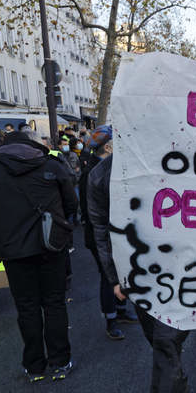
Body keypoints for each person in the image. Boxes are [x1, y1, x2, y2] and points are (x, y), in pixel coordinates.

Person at [87, 138, 190, 393]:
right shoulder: (101, 175)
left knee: (165, 339)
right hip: (140, 273)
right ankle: (176, 376)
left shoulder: (179, 158)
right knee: (160, 340)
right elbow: (100, 227)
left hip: (185, 269)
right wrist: (114, 276)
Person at [0, 129, 77, 381]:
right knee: (54, 302)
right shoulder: (51, 165)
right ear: (33, 144)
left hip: (13, 250)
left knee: (26, 307)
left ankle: (34, 365)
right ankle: (60, 361)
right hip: (51, 245)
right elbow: (71, 203)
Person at [82, 126, 138, 341]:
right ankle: (111, 318)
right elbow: (95, 216)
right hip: (100, 235)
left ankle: (120, 309)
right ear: (108, 146)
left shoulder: (108, 168)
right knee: (108, 277)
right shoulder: (94, 173)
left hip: (110, 233)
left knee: (118, 272)